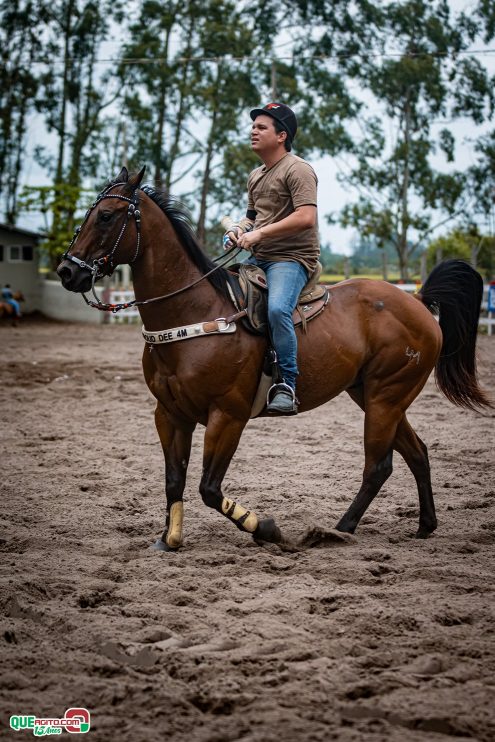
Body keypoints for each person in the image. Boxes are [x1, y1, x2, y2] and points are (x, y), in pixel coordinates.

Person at [224, 103, 320, 414]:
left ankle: (287, 384)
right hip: (258, 258)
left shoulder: (298, 169)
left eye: (261, 127)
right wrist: (239, 229)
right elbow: (252, 217)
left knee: (278, 309)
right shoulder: (255, 175)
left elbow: (306, 217)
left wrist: (259, 235)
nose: (253, 130)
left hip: (291, 259)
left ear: (281, 136)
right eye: (253, 126)